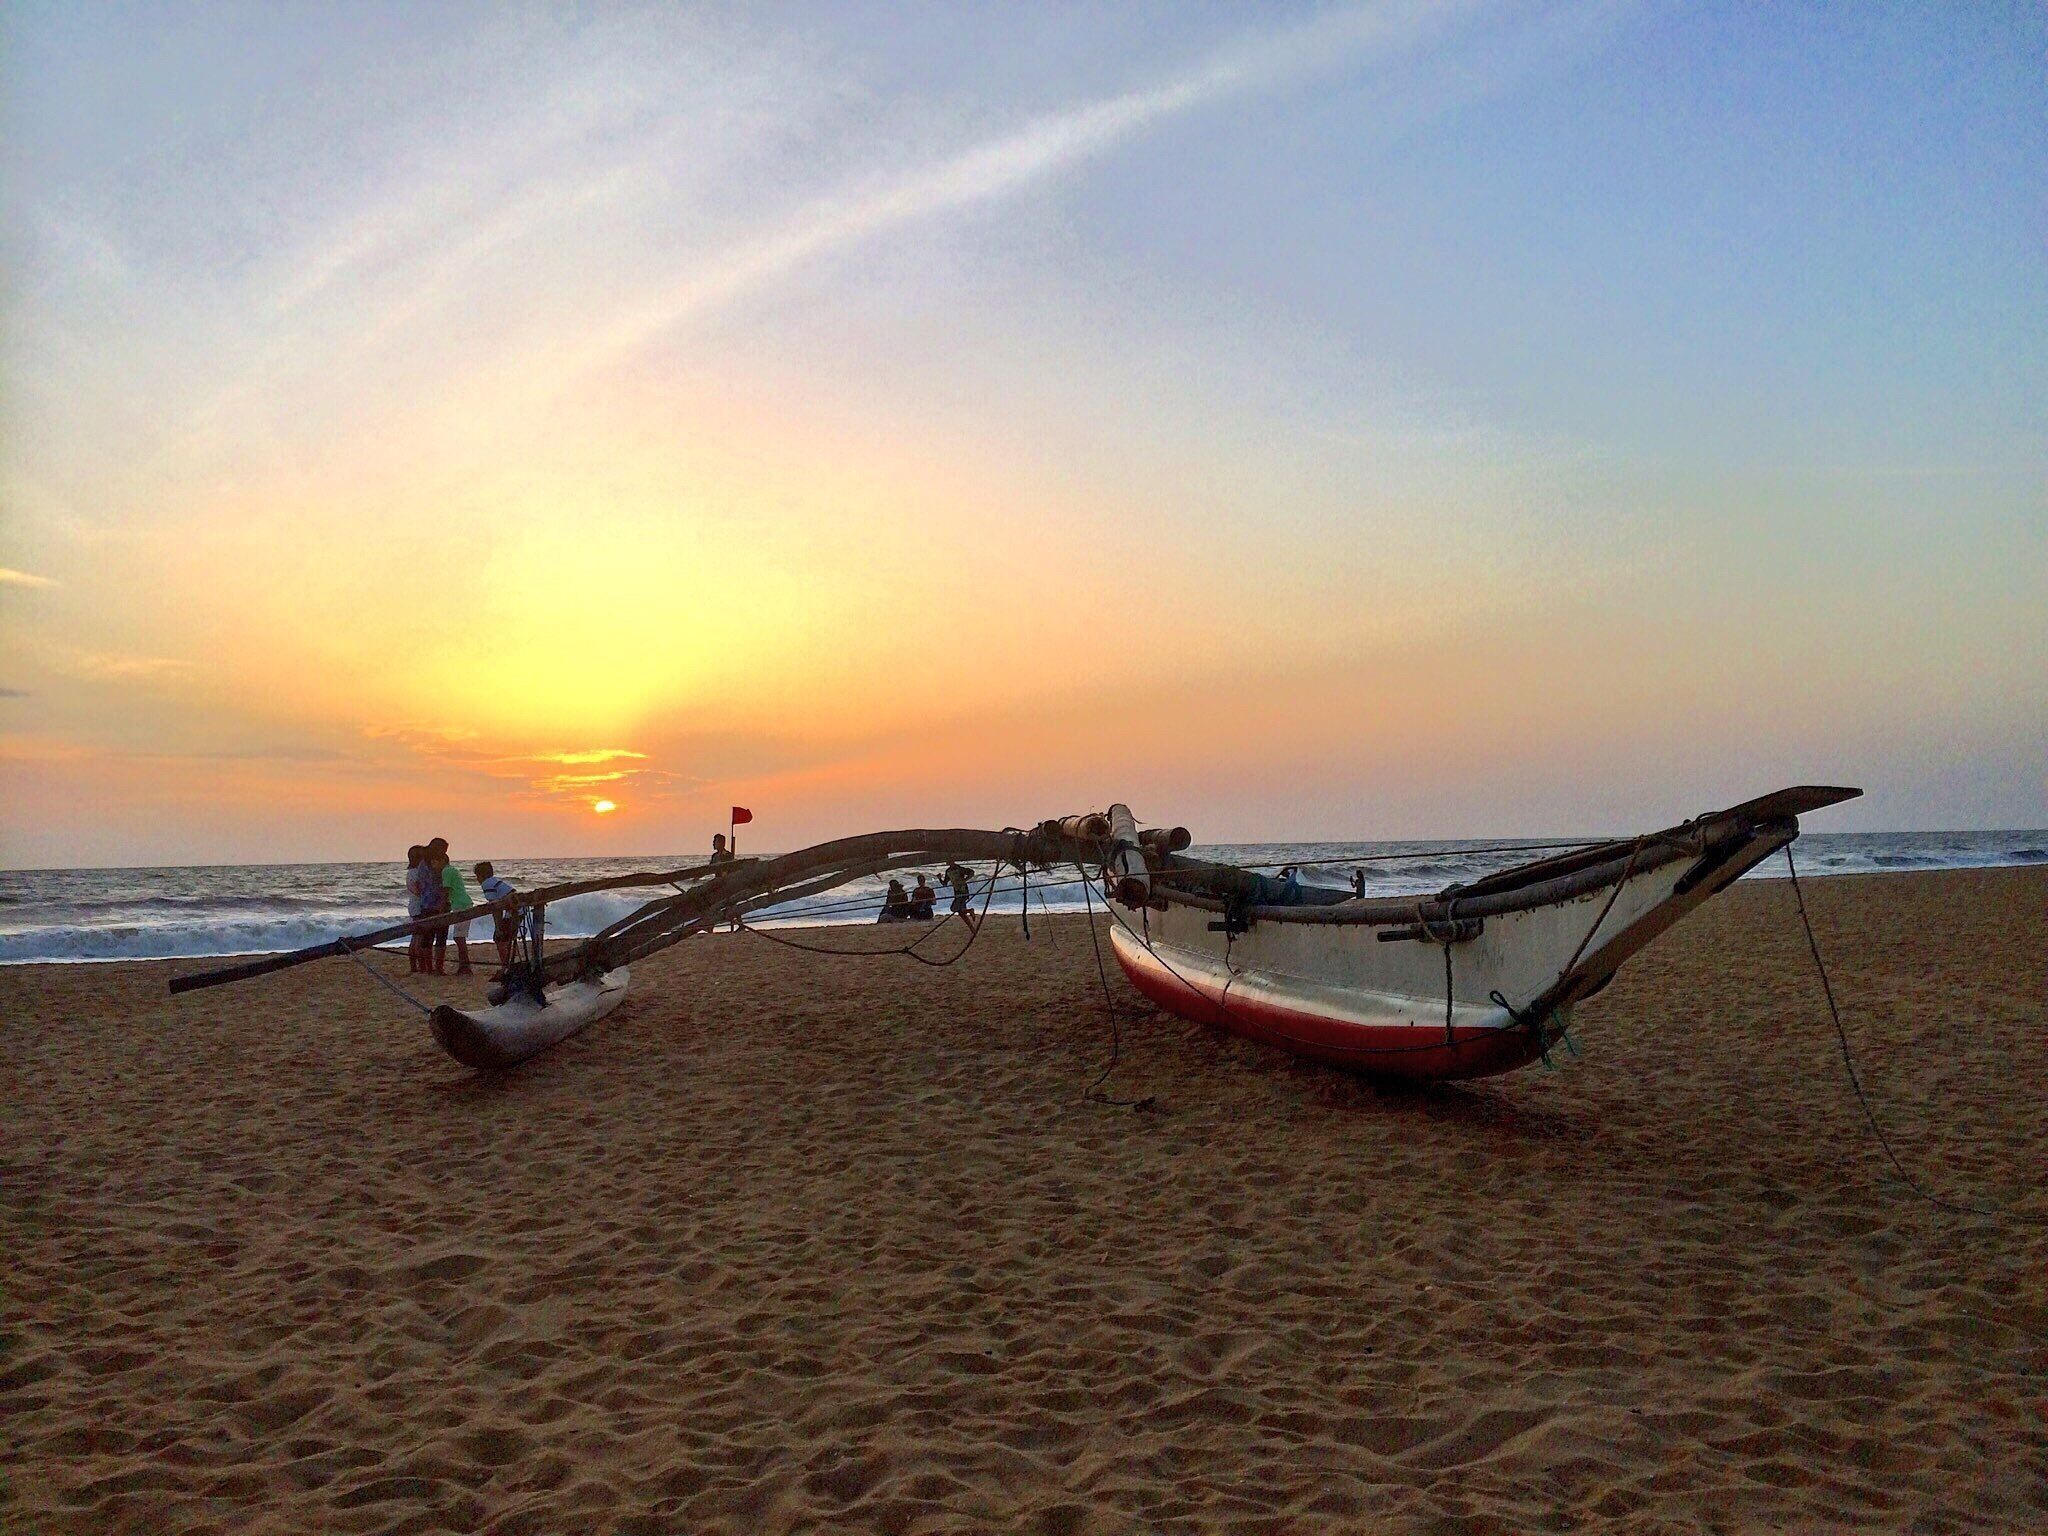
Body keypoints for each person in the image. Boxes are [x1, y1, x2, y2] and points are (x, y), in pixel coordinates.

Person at [436, 848, 476, 975]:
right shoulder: (452, 870)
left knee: (459, 937)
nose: (433, 865)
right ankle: (464, 965)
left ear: (442, 860)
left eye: (434, 862)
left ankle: (465, 966)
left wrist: (441, 910)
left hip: (461, 905)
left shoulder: (446, 871)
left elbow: (445, 891)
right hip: (462, 903)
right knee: (459, 937)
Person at [476, 861, 518, 969]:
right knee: (506, 939)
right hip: (516, 910)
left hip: (513, 911)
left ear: (480, 876)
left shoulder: (487, 884)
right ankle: (508, 964)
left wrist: (497, 926)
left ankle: (506, 966)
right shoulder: (494, 881)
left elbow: (496, 908)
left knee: (499, 938)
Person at [421, 836, 452, 973]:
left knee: (438, 936)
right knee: (431, 937)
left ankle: (436, 967)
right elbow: (437, 884)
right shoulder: (428, 865)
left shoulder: (429, 863)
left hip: (433, 903)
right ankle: (432, 967)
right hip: (433, 903)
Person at [404, 845, 433, 972]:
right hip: (418, 907)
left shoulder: (410, 872)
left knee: (416, 936)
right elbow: (418, 890)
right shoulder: (416, 872)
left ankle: (414, 966)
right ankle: (420, 967)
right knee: (419, 938)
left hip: (413, 906)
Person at [943, 861, 977, 932]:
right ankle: (972, 929)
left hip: (963, 890)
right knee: (961, 912)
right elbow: (944, 884)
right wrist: (939, 878)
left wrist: (965, 880)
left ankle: (970, 911)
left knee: (953, 908)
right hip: (957, 892)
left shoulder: (959, 868)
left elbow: (971, 872)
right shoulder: (948, 871)